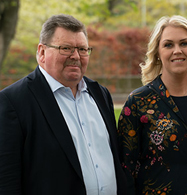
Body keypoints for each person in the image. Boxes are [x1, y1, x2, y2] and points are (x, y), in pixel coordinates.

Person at [0, 14, 127, 195]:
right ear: (42, 52)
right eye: (66, 48)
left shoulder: (100, 94)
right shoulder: (13, 102)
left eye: (82, 49)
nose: (75, 56)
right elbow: (6, 182)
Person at [117, 15, 187, 195]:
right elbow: (126, 167)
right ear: (158, 53)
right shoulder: (138, 101)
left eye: (184, 43)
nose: (177, 50)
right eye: (168, 45)